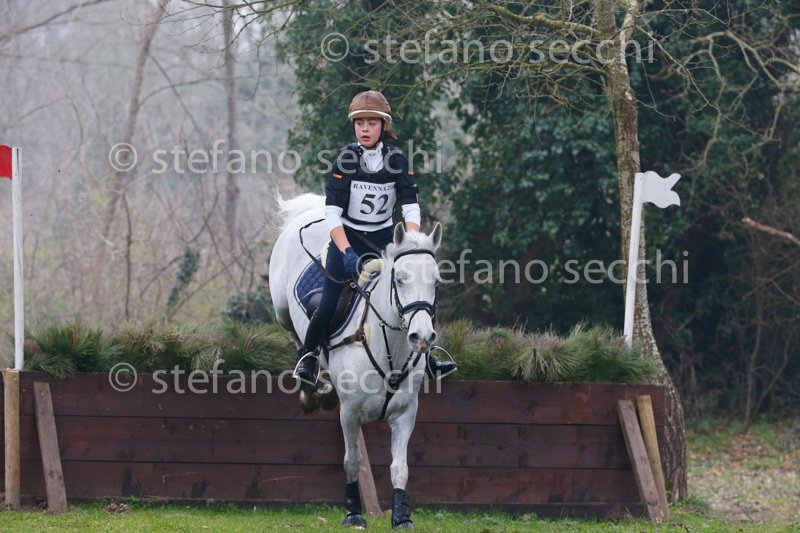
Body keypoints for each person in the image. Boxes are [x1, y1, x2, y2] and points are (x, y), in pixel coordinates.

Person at [294, 90, 457, 388]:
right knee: (328, 304)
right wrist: (346, 252)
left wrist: (410, 242)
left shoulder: (397, 160)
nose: (365, 129)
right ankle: (308, 357)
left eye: (371, 123)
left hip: (384, 242)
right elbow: (332, 213)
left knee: (415, 290)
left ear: (384, 125)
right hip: (348, 239)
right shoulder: (346, 160)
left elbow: (410, 206)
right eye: (360, 123)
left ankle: (429, 357)